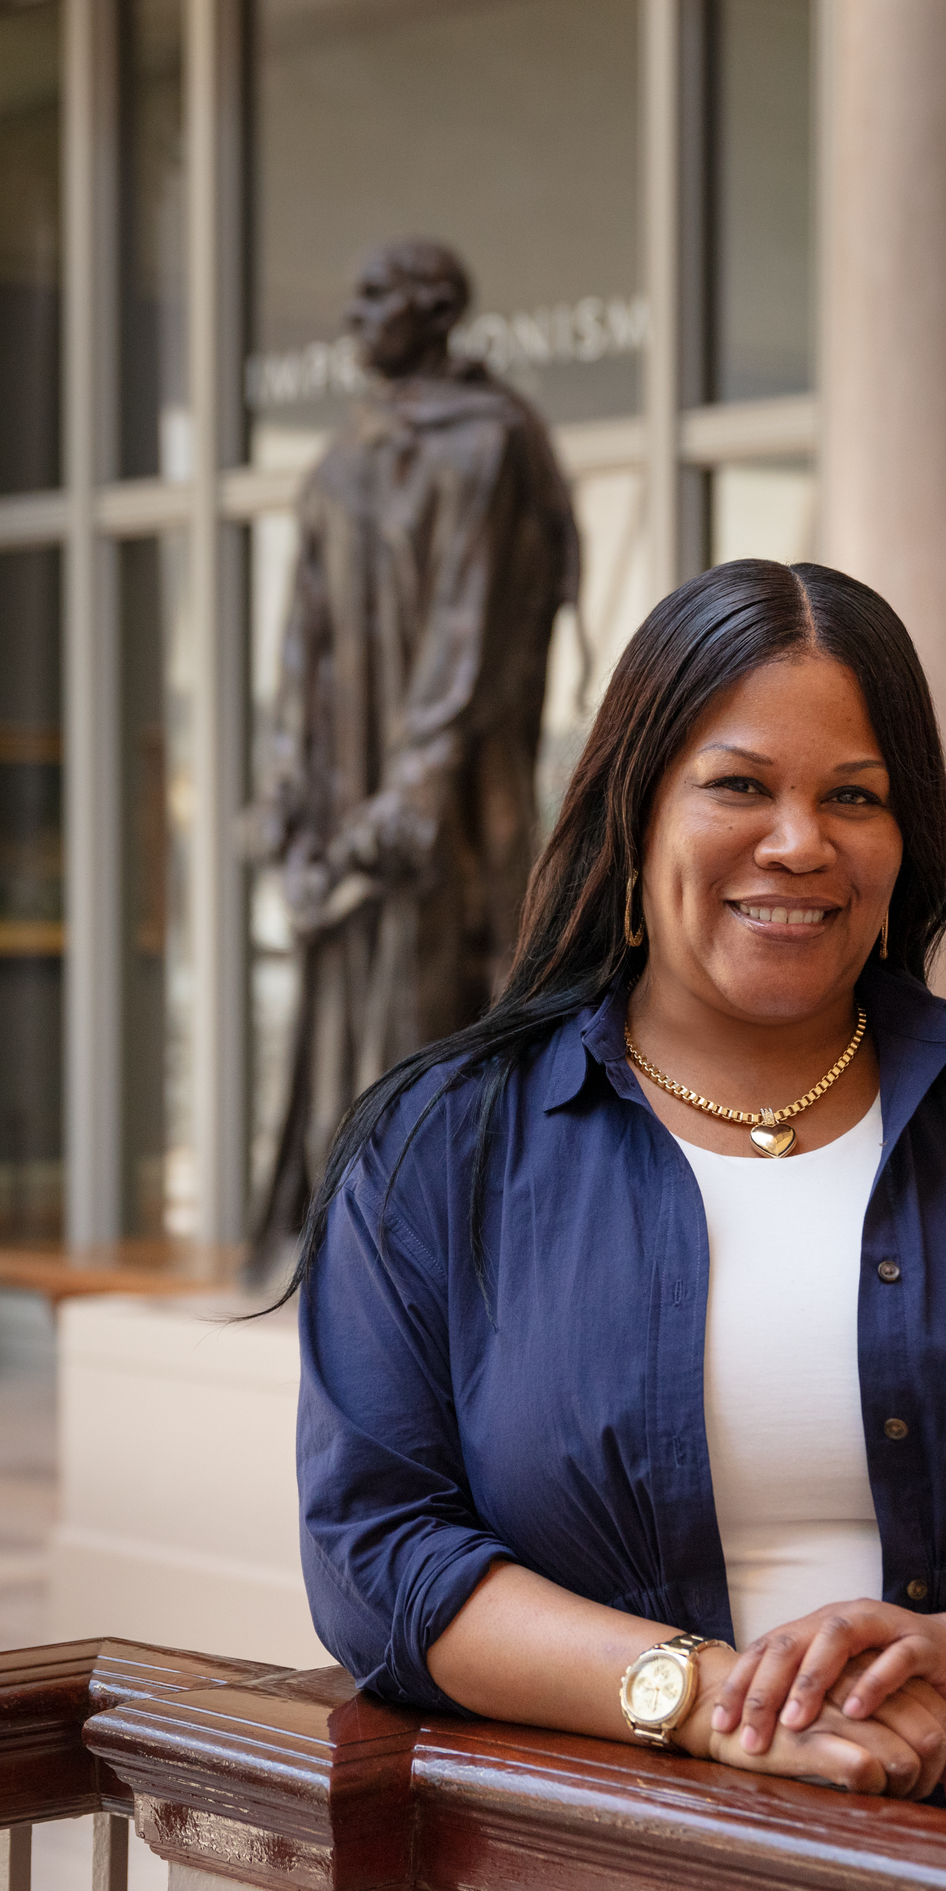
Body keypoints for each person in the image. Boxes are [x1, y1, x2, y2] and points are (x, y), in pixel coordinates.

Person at [292, 559, 946, 1872]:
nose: (800, 842)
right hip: (626, 1887)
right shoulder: (445, 1145)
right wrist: (715, 1705)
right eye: (739, 785)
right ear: (637, 810)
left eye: (855, 796)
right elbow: (376, 1549)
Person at [250, 237, 580, 1263]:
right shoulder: (341, 457)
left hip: (440, 792)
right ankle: (344, 1235)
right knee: (348, 994)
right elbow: (301, 637)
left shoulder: (489, 442)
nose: (352, 315)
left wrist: (417, 784)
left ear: (434, 311)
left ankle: (427, 1251)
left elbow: (474, 629)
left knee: (433, 990)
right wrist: (288, 781)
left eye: (375, 296)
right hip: (351, 782)